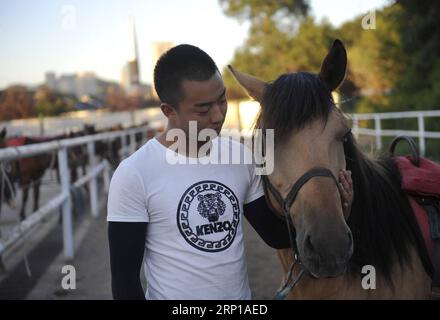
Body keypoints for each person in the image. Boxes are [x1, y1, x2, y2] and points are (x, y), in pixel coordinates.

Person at [107, 44, 353, 300]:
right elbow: (125, 283)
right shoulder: (134, 174)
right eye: (203, 109)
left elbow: (276, 236)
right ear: (169, 111)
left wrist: (336, 212)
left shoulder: (240, 157)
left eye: (222, 100)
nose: (218, 116)